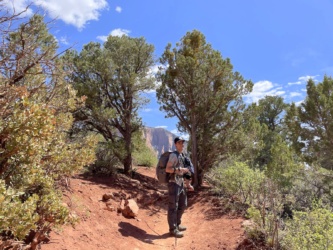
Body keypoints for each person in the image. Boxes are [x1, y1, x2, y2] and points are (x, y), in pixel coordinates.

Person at [165, 136, 194, 238]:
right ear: (175, 144)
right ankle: (172, 229)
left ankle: (177, 224)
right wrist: (179, 169)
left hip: (181, 184)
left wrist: (188, 184)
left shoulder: (183, 155)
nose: (182, 145)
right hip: (173, 184)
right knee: (173, 207)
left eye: (183, 143)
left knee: (183, 204)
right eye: (180, 143)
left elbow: (186, 172)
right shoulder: (174, 155)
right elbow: (168, 169)